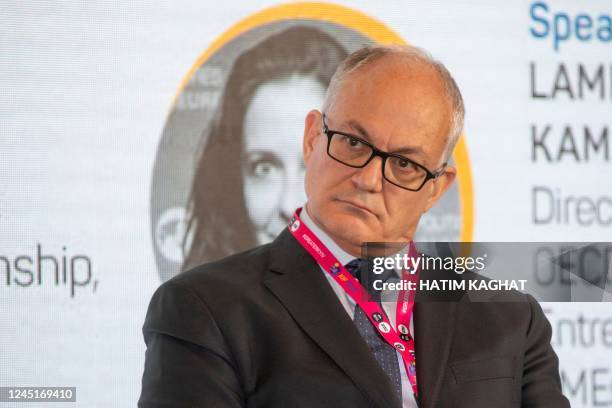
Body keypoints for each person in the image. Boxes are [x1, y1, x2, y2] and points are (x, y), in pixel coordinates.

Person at [139, 45, 570, 407]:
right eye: (353, 142)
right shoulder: (204, 310)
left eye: (403, 164)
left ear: (436, 189)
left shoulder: (512, 319)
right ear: (312, 137)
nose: (367, 179)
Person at [180, 25, 347, 271]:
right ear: (234, 181)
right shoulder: (192, 304)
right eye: (264, 169)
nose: (289, 206)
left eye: (316, 164)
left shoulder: (416, 293)